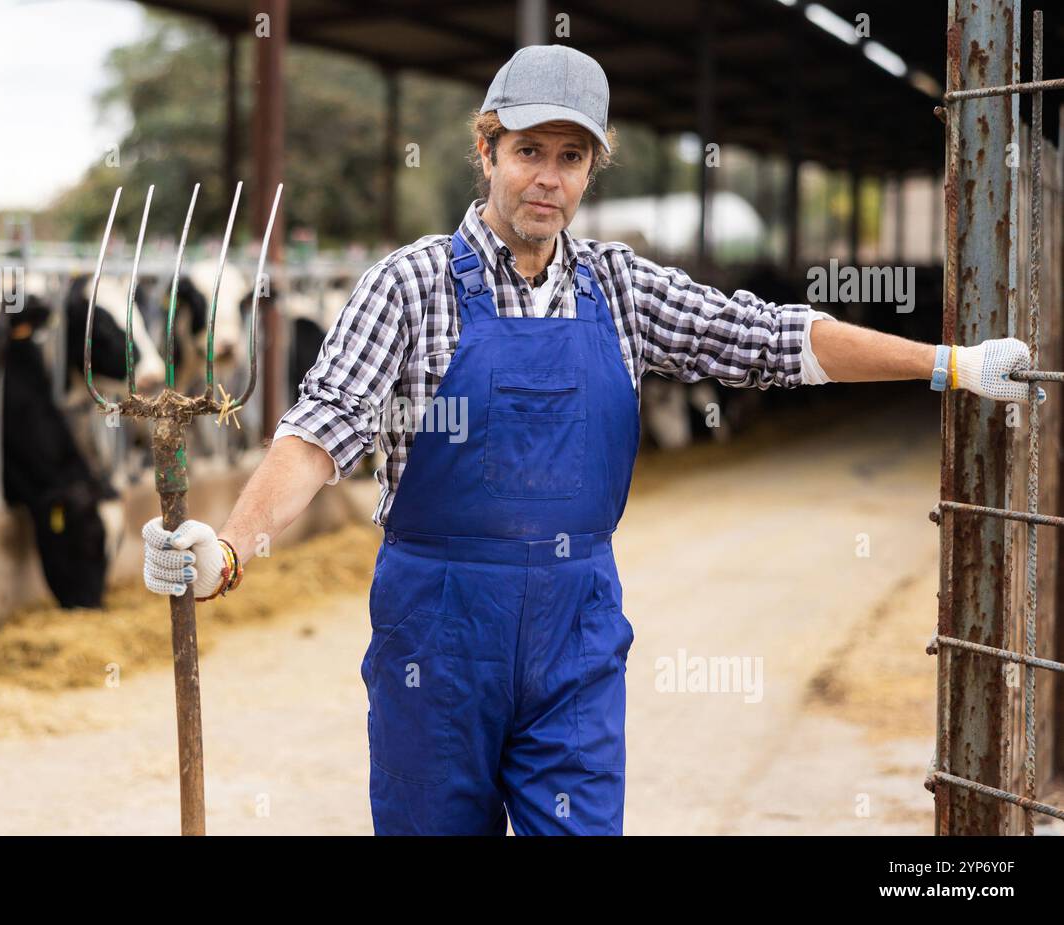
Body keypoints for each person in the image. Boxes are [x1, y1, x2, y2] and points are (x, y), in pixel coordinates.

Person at [141, 45, 1038, 835]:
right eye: (529, 151)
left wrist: (945, 363)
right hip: (439, 636)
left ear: (591, 171)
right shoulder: (409, 286)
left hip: (576, 634)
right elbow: (318, 434)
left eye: (572, 158)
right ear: (486, 149)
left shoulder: (620, 287)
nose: (548, 178)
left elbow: (772, 339)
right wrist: (229, 545)